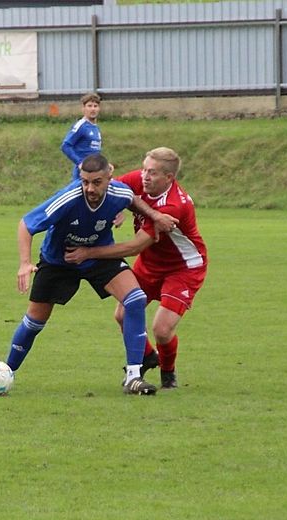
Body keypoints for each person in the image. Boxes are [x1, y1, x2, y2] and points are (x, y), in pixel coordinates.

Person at [5, 153, 178, 395]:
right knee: (35, 322)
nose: (89, 188)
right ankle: (5, 373)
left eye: (96, 182)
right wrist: (24, 263)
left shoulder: (120, 192)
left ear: (110, 175)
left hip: (96, 256)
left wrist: (155, 215)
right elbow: (26, 224)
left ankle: (133, 376)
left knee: (135, 299)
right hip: (59, 261)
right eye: (85, 181)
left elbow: (133, 199)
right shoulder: (68, 198)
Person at [65, 147, 206, 389]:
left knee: (161, 330)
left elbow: (134, 247)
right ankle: (148, 356)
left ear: (169, 178)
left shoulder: (173, 206)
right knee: (122, 314)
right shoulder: (139, 180)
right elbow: (108, 189)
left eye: (152, 172)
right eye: (144, 169)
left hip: (182, 267)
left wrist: (88, 253)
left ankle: (168, 374)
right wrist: (117, 208)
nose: (144, 176)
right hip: (151, 262)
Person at [61, 93, 102, 183]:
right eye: (89, 106)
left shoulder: (96, 127)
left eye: (95, 106)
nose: (93, 109)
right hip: (82, 174)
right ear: (83, 108)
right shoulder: (81, 126)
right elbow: (66, 146)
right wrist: (80, 162)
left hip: (94, 171)